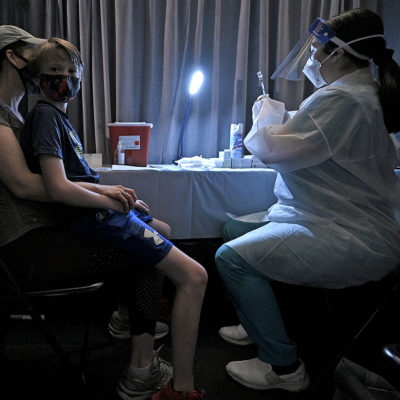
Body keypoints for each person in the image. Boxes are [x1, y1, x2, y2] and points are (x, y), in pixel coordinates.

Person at [0, 26, 206, 400]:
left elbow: (57, 181)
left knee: (160, 229)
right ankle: (143, 365)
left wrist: (107, 190)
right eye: (46, 64)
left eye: (69, 71)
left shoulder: (23, 115)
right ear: (15, 58)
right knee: (164, 263)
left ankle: (132, 323)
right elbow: (33, 186)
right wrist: (108, 198)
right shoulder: (31, 117)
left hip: (56, 226)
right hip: (29, 243)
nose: (61, 77)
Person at [215, 8, 400, 392]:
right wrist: (274, 119)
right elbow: (310, 136)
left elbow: (275, 149)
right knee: (233, 228)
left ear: (339, 54)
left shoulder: (343, 99)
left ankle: (283, 368)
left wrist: (264, 117)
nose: (312, 59)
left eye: (317, 50)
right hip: (336, 218)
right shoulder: (357, 94)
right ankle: (258, 323)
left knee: (230, 258)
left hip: (353, 234)